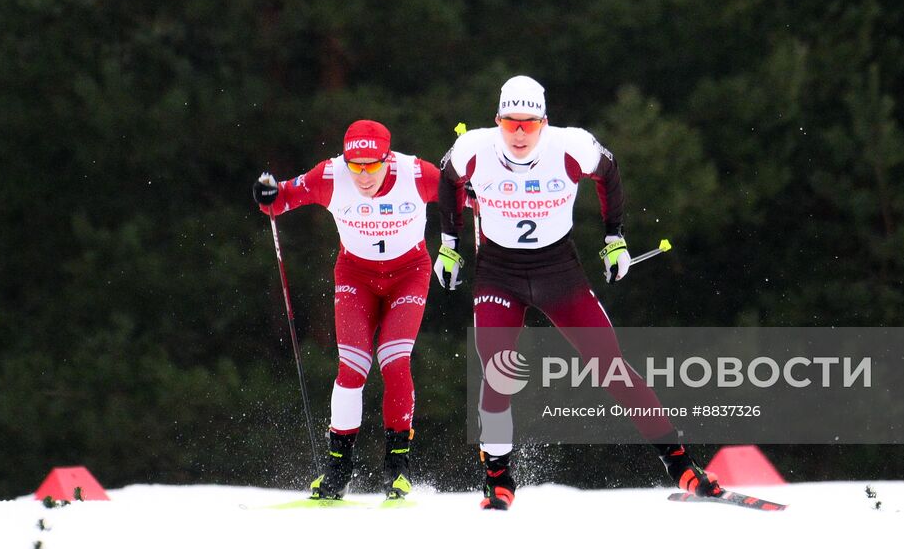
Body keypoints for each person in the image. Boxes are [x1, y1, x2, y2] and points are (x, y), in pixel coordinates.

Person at [435, 75, 720, 510]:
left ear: (544, 122)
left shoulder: (572, 146)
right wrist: (449, 246)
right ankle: (498, 476)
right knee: (497, 371)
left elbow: (608, 172)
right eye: (510, 122)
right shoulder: (474, 147)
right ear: (497, 120)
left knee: (611, 365)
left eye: (529, 124)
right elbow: (447, 178)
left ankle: (679, 463)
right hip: (499, 273)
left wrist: (614, 239)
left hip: (558, 271)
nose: (518, 133)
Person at [254, 120, 440, 500]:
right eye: (356, 165)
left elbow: (462, 194)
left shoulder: (415, 172)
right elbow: (284, 197)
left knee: (394, 359)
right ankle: (338, 470)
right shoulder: (331, 173)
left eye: (372, 165)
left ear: (388, 158)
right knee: (351, 368)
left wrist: (471, 187)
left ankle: (397, 468)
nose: (363, 175)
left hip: (409, 273)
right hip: (356, 276)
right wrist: (267, 195)